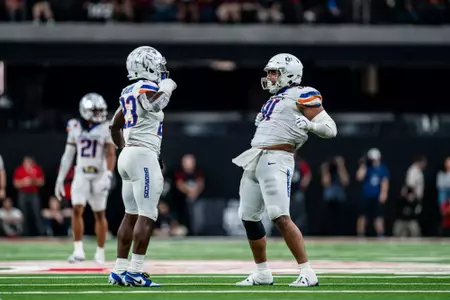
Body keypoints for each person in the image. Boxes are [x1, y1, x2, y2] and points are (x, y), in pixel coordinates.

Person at [232, 53, 337, 287]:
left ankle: (307, 272)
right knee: (248, 217)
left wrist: (310, 125)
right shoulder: (275, 99)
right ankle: (262, 273)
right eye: (269, 72)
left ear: (288, 74)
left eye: (273, 72)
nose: (269, 77)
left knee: (279, 216)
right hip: (255, 158)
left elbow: (331, 129)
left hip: (277, 159)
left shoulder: (303, 93)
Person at [108, 46, 177, 287]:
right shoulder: (146, 88)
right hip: (142, 155)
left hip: (128, 154)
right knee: (147, 215)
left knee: (131, 214)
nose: (161, 70)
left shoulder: (128, 90)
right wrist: (167, 87)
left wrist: (124, 149)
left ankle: (119, 270)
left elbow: (114, 126)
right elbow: (153, 105)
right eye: (157, 65)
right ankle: (135, 272)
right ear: (147, 66)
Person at [54, 93, 116, 264]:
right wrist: (60, 178)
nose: (99, 114)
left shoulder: (106, 127)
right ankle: (78, 250)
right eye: (95, 111)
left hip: (99, 173)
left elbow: (111, 153)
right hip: (81, 172)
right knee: (76, 209)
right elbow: (68, 155)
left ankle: (100, 251)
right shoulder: (74, 126)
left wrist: (109, 175)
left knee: (99, 213)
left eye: (100, 110)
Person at [356, 148, 389, 237]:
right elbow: (359, 177)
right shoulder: (366, 168)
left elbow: (384, 182)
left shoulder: (382, 168)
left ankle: (381, 235)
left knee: (378, 217)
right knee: (363, 216)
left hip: (377, 196)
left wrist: (384, 193)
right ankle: (360, 235)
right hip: (366, 196)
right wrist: (363, 165)